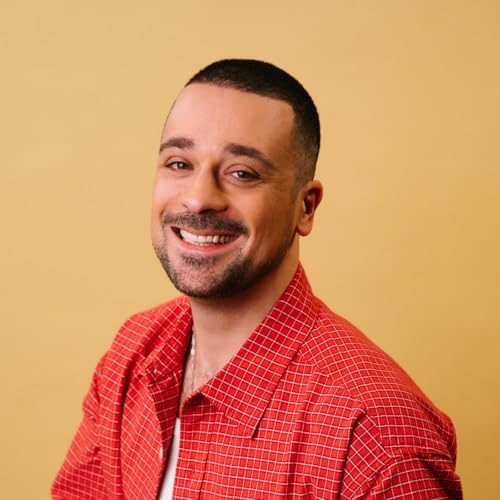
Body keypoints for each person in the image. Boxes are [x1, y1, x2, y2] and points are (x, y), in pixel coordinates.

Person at [52, 59, 462, 499]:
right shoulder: (132, 354)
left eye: (242, 173)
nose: (199, 198)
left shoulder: (376, 435)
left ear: (306, 207)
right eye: (179, 163)